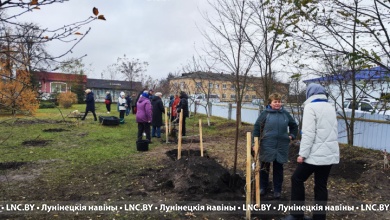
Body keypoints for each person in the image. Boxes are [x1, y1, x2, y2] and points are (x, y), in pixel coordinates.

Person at [283, 84, 339, 220]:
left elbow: (308, 134)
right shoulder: (331, 107)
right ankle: (319, 218)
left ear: (310, 94)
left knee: (296, 178)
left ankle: (296, 215)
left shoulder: (310, 107)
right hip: (329, 154)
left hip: (314, 154)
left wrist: (302, 154)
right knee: (321, 186)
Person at [252, 93, 298, 199]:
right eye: (275, 102)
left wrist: (291, 136)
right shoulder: (265, 114)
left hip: (281, 146)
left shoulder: (285, 114)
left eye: (279, 101)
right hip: (267, 144)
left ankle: (277, 190)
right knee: (264, 167)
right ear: (270, 103)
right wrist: (255, 143)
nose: (277, 104)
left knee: (278, 168)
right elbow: (256, 128)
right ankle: (263, 187)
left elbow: (294, 126)